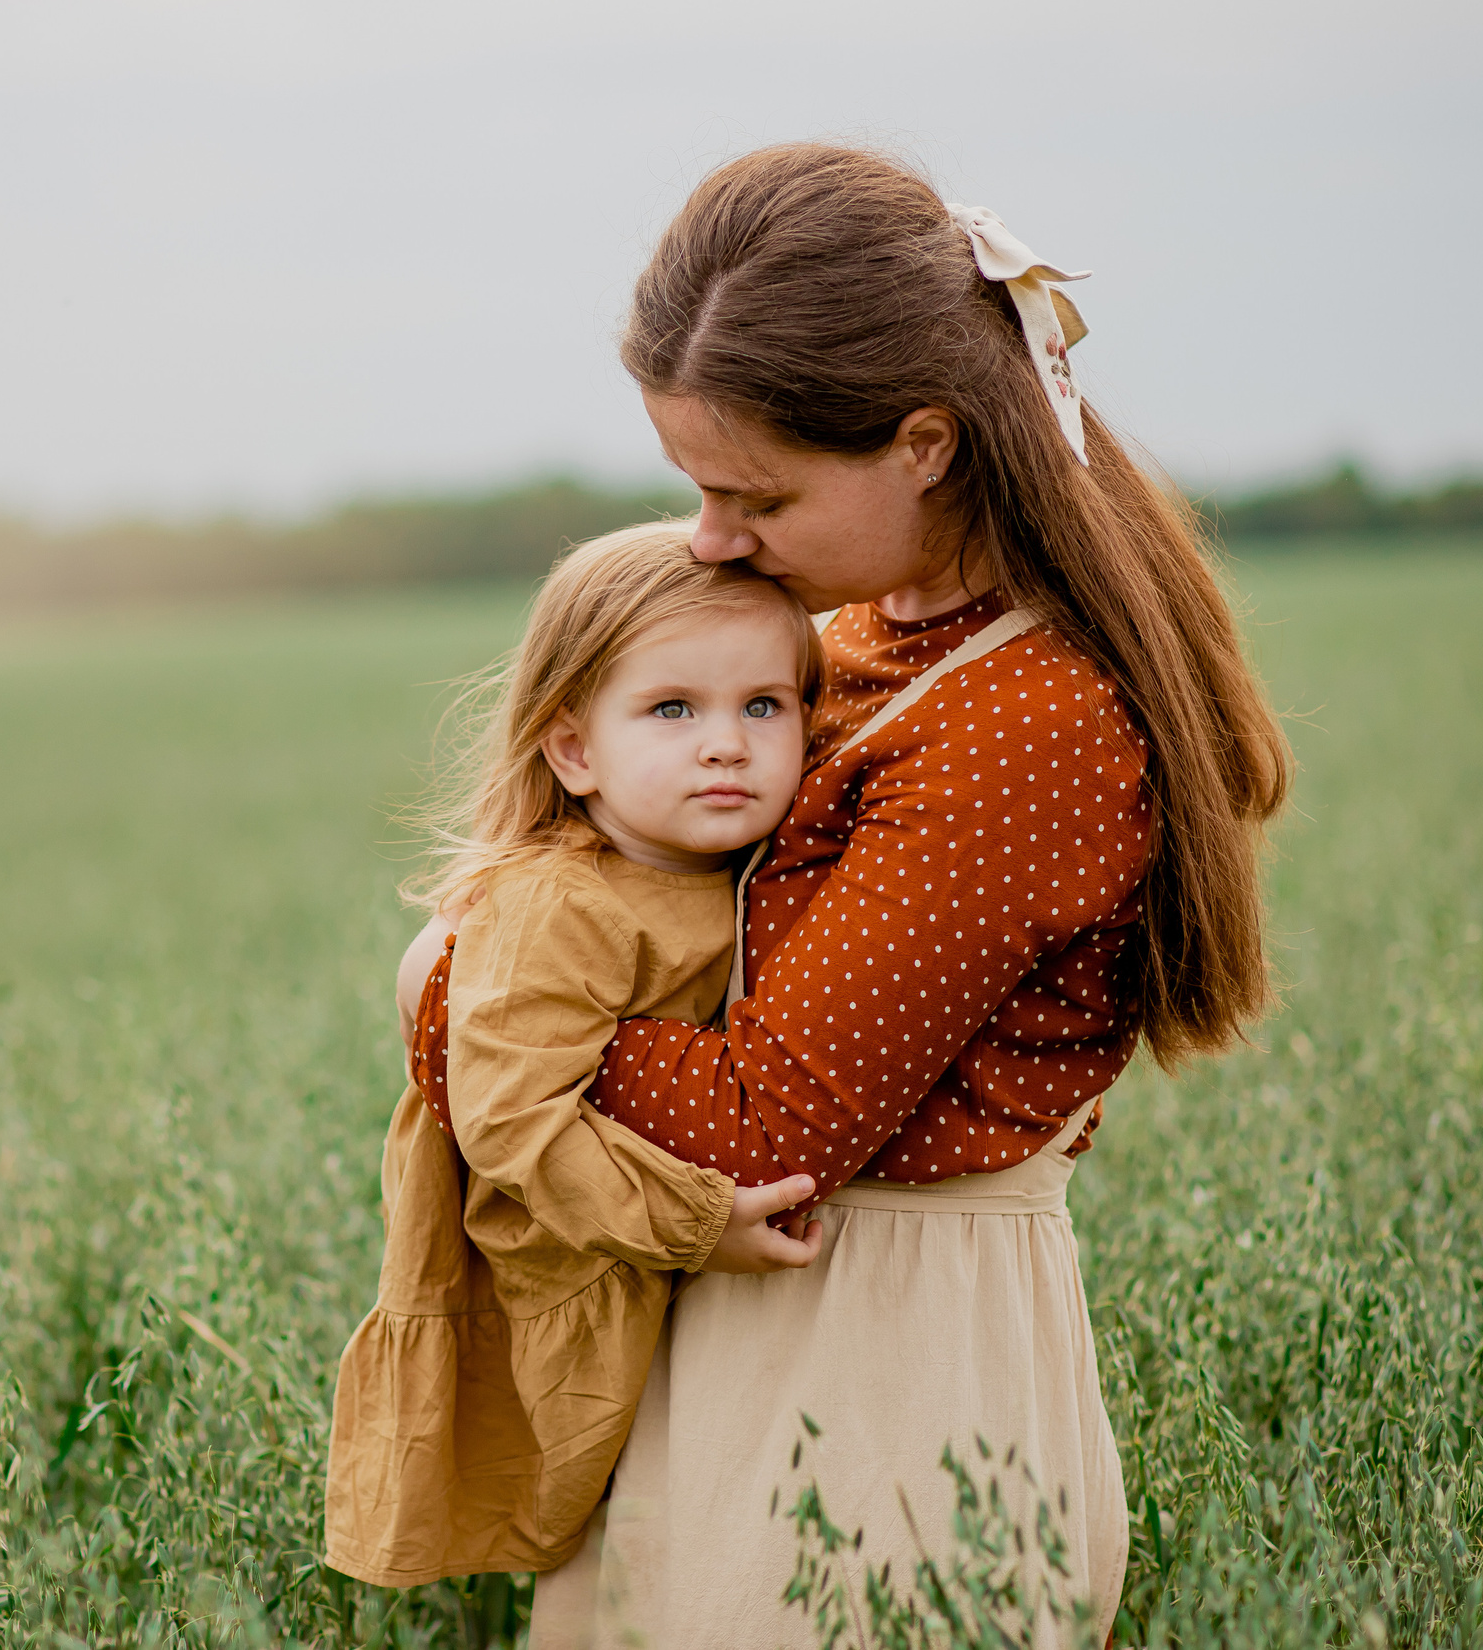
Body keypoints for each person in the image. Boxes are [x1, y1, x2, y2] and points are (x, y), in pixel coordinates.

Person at [405, 145, 1291, 1647]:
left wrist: (457, 998)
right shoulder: (866, 632)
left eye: (754, 493)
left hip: (882, 1379)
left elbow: (767, 1120)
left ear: (925, 445)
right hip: (754, 1321)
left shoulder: (1029, 728)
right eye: (695, 487)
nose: (708, 539)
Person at [324, 521, 833, 1593]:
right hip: (564, 1265)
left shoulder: (743, 866)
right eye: (672, 709)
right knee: (606, 1538)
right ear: (573, 751)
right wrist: (696, 1222)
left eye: (763, 705)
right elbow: (511, 1120)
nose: (726, 744)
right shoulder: (562, 901)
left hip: (646, 1255)